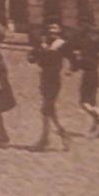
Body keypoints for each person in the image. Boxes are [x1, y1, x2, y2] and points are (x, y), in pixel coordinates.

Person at [28, 21, 71, 151]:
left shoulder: (62, 45)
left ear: (59, 31)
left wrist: (69, 69)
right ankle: (48, 137)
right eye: (50, 28)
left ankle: (55, 135)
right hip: (44, 78)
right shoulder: (43, 44)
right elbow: (32, 59)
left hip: (54, 78)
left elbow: (71, 59)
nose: (52, 31)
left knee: (48, 107)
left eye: (55, 29)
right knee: (47, 109)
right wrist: (36, 51)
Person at [68, 27, 99, 138]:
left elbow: (82, 63)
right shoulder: (95, 49)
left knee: (84, 103)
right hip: (95, 76)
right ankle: (96, 128)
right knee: (92, 103)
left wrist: (73, 66)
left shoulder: (86, 50)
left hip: (88, 77)